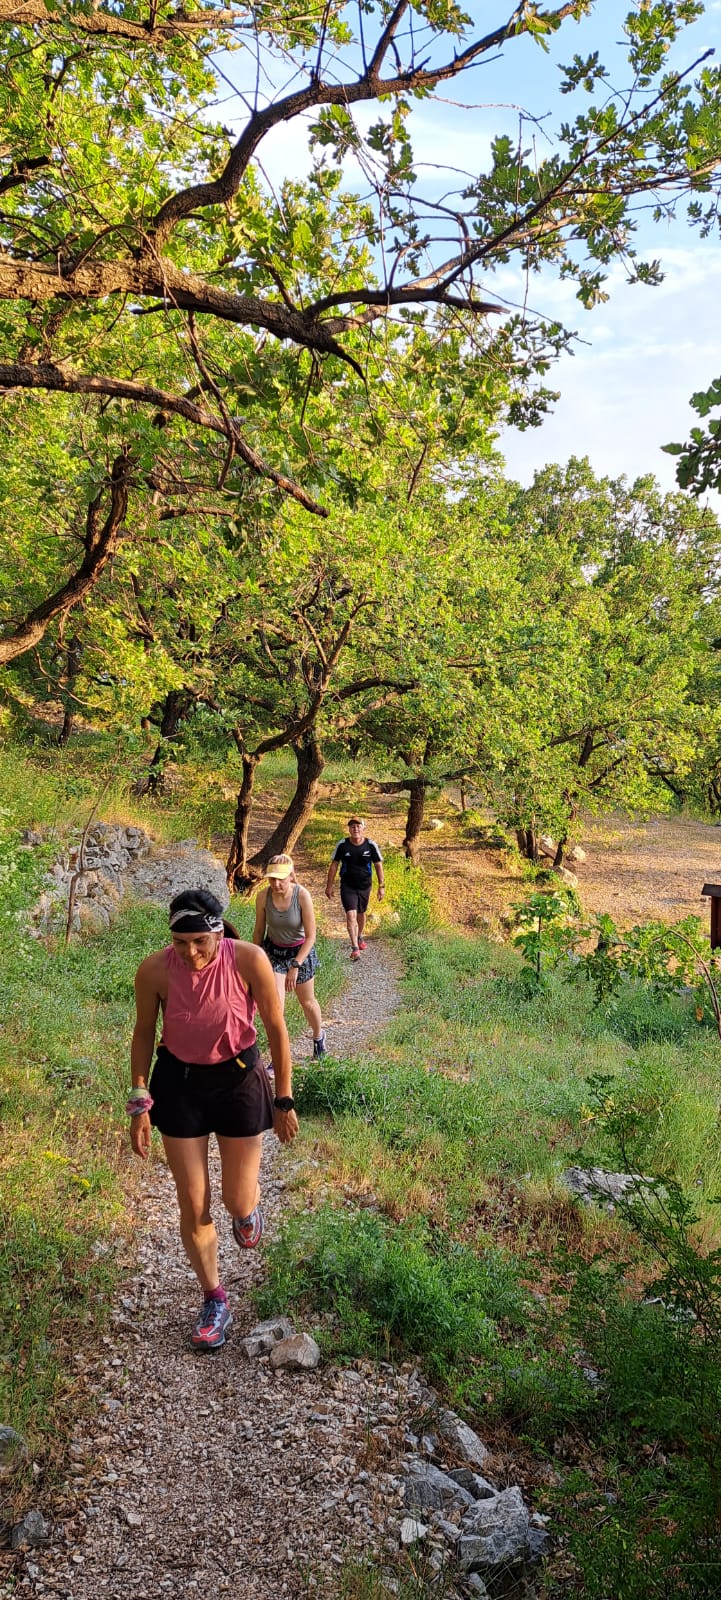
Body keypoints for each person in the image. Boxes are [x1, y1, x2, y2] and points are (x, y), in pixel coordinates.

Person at [128, 887, 298, 1353]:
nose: (190, 953)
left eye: (199, 942)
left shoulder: (248, 960)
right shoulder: (154, 970)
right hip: (179, 1085)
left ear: (218, 933)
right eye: (180, 943)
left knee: (235, 1198)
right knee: (192, 1201)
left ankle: (246, 1210)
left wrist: (283, 1099)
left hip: (238, 1079)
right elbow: (143, 1033)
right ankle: (214, 1299)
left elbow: (277, 1028)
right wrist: (140, 1101)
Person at [253, 853, 327, 1058]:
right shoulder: (263, 897)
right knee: (276, 1008)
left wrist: (295, 965)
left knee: (307, 1002)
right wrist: (254, 960)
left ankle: (318, 1036)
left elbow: (311, 937)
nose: (276, 884)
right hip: (274, 953)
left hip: (300, 952)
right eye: (272, 879)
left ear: (291, 876)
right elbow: (259, 931)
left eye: (280, 879)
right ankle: (279, 1056)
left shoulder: (302, 895)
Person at [325, 816, 384, 960]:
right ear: (349, 829)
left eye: (358, 826)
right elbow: (334, 864)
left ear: (363, 828)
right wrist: (329, 885)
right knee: (351, 914)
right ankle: (355, 948)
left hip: (365, 886)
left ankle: (359, 936)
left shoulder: (370, 845)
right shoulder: (342, 845)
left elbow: (378, 865)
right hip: (348, 886)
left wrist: (381, 886)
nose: (355, 829)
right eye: (352, 826)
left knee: (361, 913)